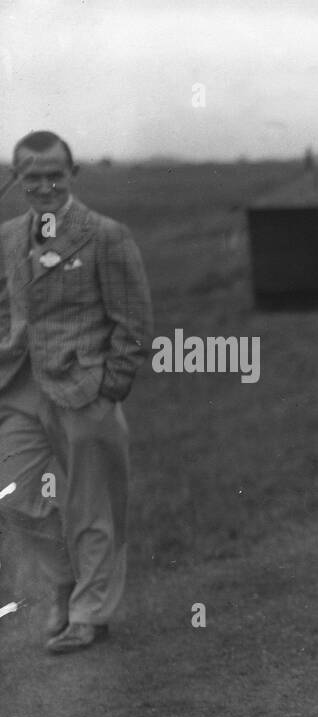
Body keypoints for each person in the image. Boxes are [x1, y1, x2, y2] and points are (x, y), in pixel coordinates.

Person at [0, 130, 152, 653]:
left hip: (85, 389)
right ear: (16, 177)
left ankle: (89, 613)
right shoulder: (7, 235)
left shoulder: (106, 235)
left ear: (72, 175)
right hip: (19, 390)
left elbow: (132, 321)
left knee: (92, 506)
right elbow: (5, 307)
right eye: (30, 176)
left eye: (53, 175)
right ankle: (64, 583)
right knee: (17, 498)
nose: (42, 186)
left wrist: (109, 388)